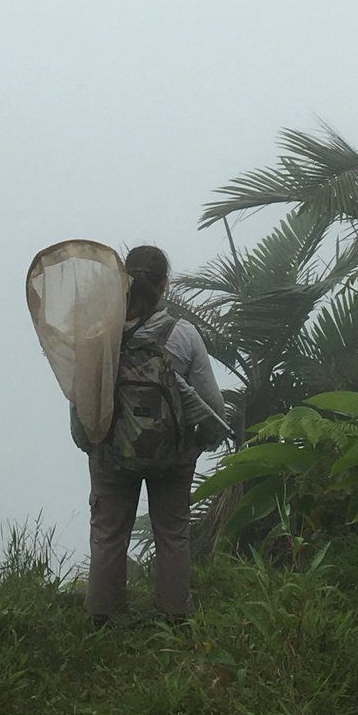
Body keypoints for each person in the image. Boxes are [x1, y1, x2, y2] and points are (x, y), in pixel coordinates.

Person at [70, 244, 227, 626]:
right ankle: (175, 615)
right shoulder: (183, 335)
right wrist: (194, 444)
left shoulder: (99, 334)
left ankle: (102, 617)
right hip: (172, 455)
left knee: (107, 532)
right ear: (164, 285)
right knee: (172, 532)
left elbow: (81, 401)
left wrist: (90, 444)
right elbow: (212, 405)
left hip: (110, 452)